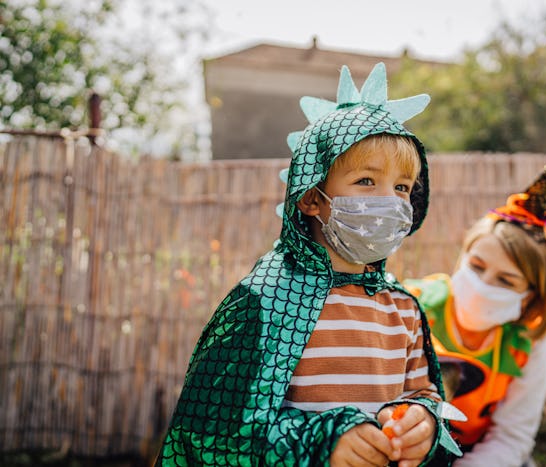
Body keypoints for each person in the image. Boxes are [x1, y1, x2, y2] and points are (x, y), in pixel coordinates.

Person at [156, 62, 461, 466]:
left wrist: (424, 423)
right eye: (367, 181)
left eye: (402, 187)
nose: (390, 200)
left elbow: (423, 394)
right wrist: (323, 442)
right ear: (311, 196)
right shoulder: (264, 302)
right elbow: (217, 431)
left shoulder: (402, 307)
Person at [404, 166, 546, 467]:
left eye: (506, 281)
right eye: (477, 266)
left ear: (531, 295)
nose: (483, 285)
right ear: (463, 257)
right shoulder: (409, 306)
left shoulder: (532, 343)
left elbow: (511, 437)